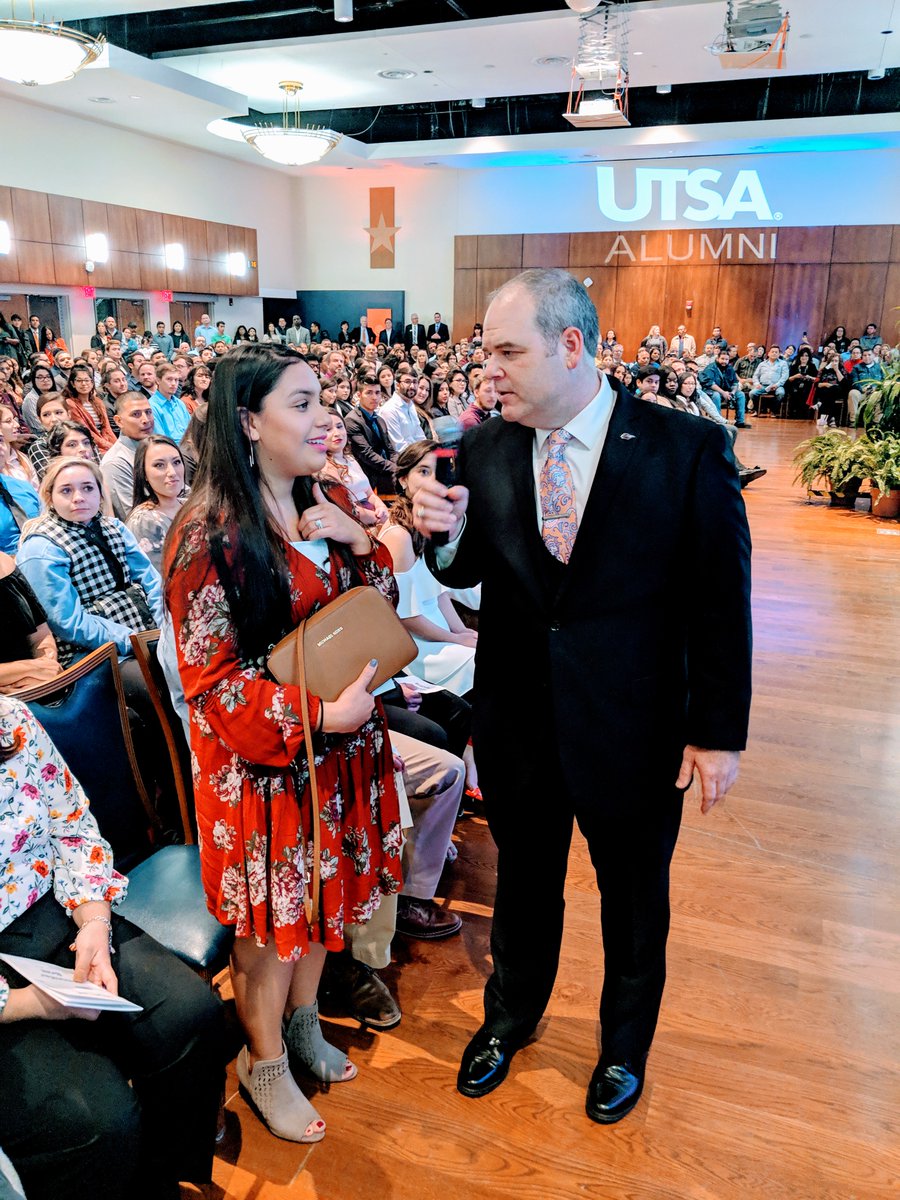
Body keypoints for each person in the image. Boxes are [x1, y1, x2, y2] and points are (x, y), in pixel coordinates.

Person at [412, 268, 751, 1124]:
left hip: (634, 726)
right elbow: (468, 572)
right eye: (485, 350)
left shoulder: (685, 450)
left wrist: (717, 733)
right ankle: (510, 1019)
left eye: (507, 350)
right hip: (520, 718)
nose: (489, 370)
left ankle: (623, 1048)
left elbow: (721, 602)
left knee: (634, 898)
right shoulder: (486, 448)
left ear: (571, 346)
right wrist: (440, 535)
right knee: (525, 885)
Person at [164, 344, 403, 1143]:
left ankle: (304, 1026)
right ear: (248, 421)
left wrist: (364, 545)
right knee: (270, 929)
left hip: (337, 752)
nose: (324, 416)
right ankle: (262, 1059)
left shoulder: (327, 495)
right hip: (265, 774)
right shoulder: (207, 535)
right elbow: (213, 685)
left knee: (318, 904)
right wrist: (316, 716)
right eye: (301, 402)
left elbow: (379, 611)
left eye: (321, 398)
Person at [0, 696, 224, 1200]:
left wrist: (95, 924)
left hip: (57, 910)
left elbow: (72, 827)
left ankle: (158, 1179)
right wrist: (35, 1004)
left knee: (190, 1016)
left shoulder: (10, 720)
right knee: (99, 1121)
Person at [16, 458, 162, 668]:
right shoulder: (42, 548)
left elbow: (151, 581)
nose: (79, 498)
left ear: (100, 494)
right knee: (163, 677)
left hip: (144, 630)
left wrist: (165, 628)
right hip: (91, 652)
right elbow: (68, 623)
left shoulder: (115, 528)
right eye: (66, 491)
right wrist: (133, 640)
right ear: (50, 497)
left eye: (87, 488)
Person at [379, 441, 477, 699]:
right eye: (423, 472)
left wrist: (461, 631)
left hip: (438, 629)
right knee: (483, 664)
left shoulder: (429, 524)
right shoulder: (399, 535)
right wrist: (453, 639)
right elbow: (405, 616)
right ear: (402, 480)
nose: (434, 481)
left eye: (439, 472)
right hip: (416, 646)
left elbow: (439, 594)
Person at [125, 436, 188, 571]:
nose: (172, 472)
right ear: (144, 474)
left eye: (176, 462)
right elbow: (158, 579)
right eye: (159, 465)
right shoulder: (144, 521)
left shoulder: (190, 505)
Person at [319, 409, 389, 527]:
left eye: (340, 426)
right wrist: (376, 518)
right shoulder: (324, 467)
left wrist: (381, 507)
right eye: (328, 429)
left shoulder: (350, 458)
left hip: (373, 515)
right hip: (354, 523)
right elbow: (347, 509)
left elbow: (369, 493)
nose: (337, 433)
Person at [101, 392, 156, 520]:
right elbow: (134, 517)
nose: (146, 420)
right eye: (136, 414)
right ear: (119, 421)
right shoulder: (115, 463)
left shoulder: (156, 448)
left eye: (148, 412)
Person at [62, 366, 117, 453]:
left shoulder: (98, 401)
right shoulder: (70, 403)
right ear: (73, 384)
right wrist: (109, 446)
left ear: (92, 383)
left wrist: (115, 445)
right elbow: (86, 431)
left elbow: (107, 428)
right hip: (89, 445)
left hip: (106, 444)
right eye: (79, 381)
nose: (84, 384)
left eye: (87, 380)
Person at [749, 345, 789, 417]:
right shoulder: (762, 364)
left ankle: (773, 411)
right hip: (763, 385)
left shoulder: (783, 363)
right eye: (772, 352)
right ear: (768, 353)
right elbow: (755, 375)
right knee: (752, 393)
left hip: (777, 386)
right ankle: (757, 410)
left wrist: (777, 385)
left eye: (776, 352)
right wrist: (757, 383)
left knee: (781, 393)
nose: (774, 353)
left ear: (779, 354)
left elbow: (785, 376)